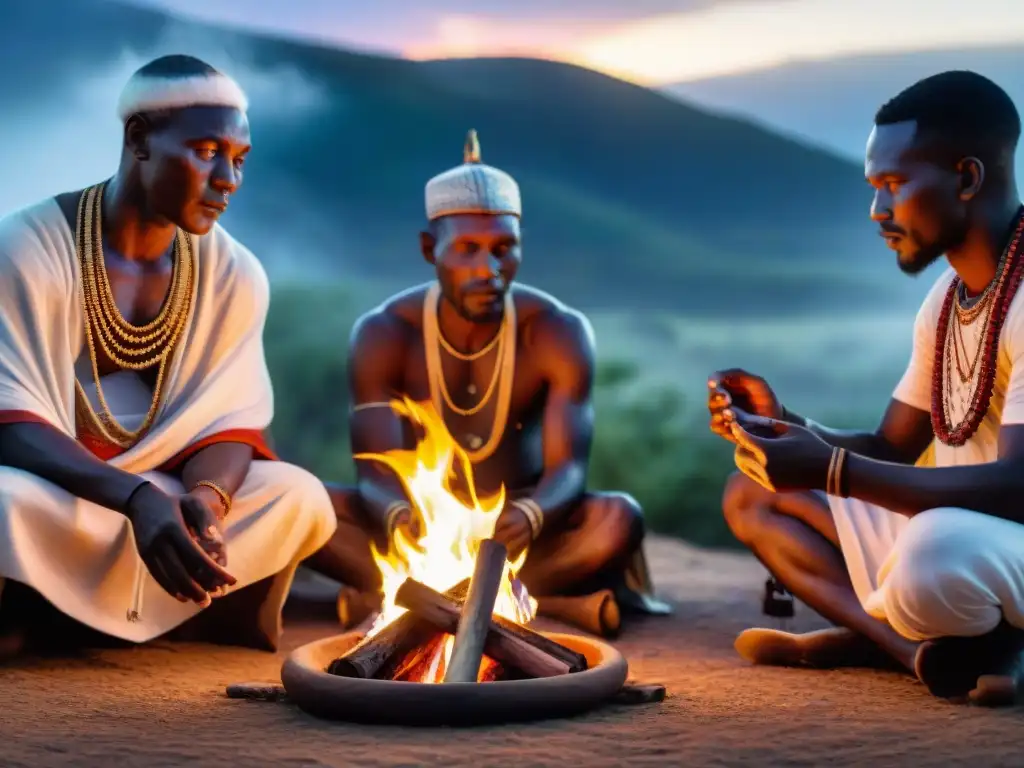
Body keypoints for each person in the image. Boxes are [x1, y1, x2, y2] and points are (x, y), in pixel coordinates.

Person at [0, 54, 336, 657]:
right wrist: (133, 499)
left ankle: (195, 605)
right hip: (56, 490)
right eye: (208, 151)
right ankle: (56, 612)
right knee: (3, 501)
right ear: (139, 139)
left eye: (238, 160)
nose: (228, 179)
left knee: (297, 493)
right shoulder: (27, 247)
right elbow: (8, 419)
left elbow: (231, 420)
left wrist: (205, 503)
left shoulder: (233, 272)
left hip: (166, 490)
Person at [707, 70, 1024, 707]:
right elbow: (890, 445)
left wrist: (830, 470)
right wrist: (788, 425)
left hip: (992, 537)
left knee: (931, 557)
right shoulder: (948, 299)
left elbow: (1018, 487)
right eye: (874, 187)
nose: (878, 211)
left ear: (966, 178)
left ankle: (905, 637)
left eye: (894, 185)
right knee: (755, 492)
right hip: (969, 539)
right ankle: (913, 651)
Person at [307, 130, 670, 633]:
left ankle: (417, 598)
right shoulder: (384, 333)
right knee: (305, 505)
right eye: (468, 249)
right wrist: (399, 519)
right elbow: (374, 471)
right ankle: (530, 604)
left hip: (521, 537)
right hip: (412, 535)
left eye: (503, 249)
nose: (489, 268)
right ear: (429, 248)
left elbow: (569, 468)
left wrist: (533, 514)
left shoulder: (557, 332)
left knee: (617, 519)